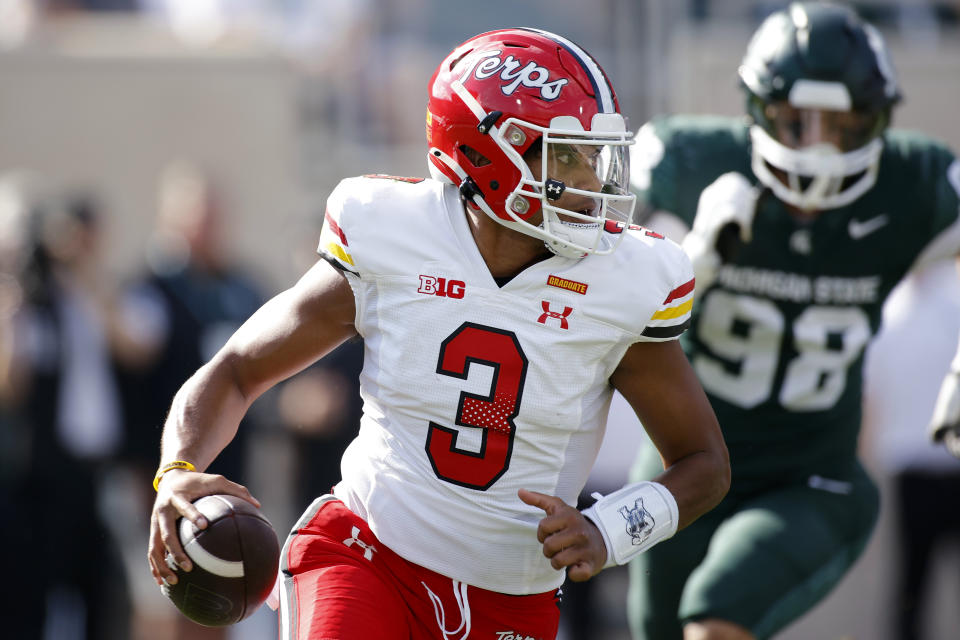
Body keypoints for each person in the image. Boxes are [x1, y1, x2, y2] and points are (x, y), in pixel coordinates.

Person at [147, 28, 730, 639]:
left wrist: (610, 530)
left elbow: (704, 463)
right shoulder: (392, 235)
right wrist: (178, 468)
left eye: (594, 155)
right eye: (566, 157)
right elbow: (238, 368)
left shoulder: (626, 280)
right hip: (368, 553)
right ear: (490, 156)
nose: (591, 179)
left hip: (512, 596)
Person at [625, 3, 960, 639]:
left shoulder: (910, 184)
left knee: (715, 617)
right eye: (795, 121)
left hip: (810, 477)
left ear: (878, 119)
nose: (819, 146)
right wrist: (695, 257)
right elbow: (605, 295)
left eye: (844, 123)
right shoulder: (692, 159)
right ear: (756, 110)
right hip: (681, 460)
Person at [864, 261, 960, 640]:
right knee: (911, 583)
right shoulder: (893, 308)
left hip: (934, 463)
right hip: (913, 465)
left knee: (912, 582)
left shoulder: (894, 307)